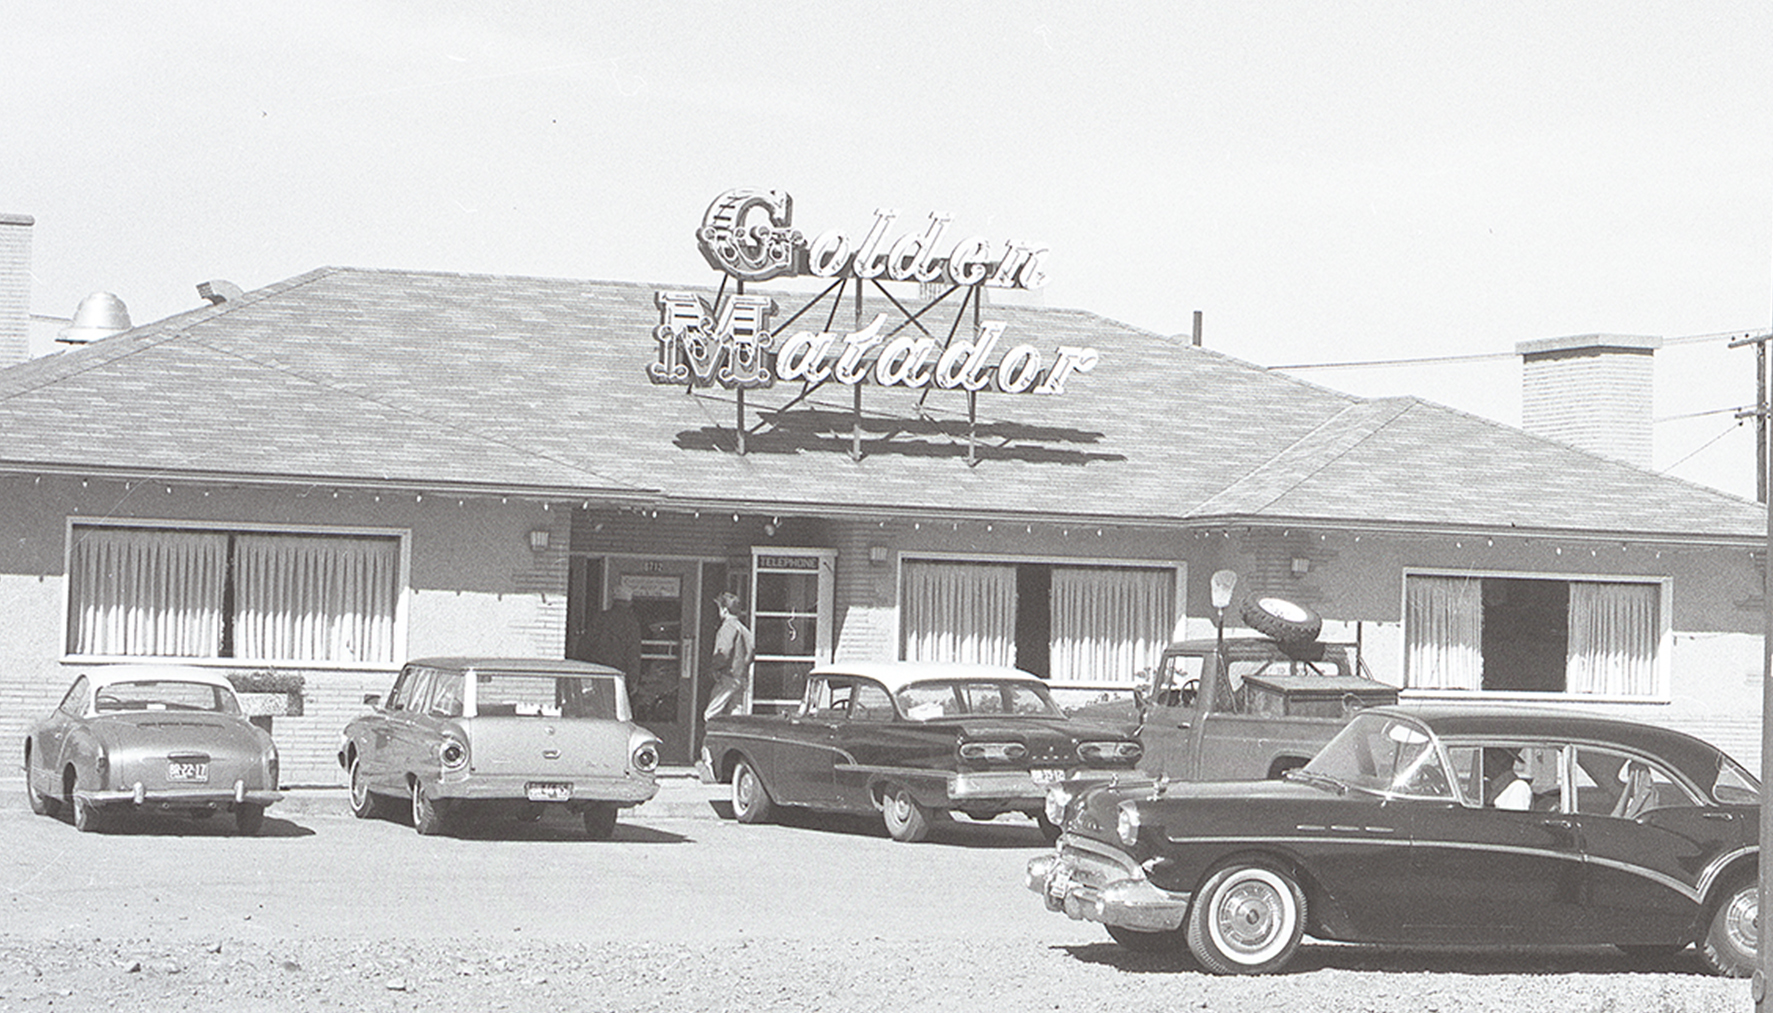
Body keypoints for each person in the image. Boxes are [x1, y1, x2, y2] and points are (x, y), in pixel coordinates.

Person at [703, 591, 753, 721]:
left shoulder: (727, 627)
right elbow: (751, 653)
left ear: (724, 610)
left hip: (728, 676)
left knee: (710, 714)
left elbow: (723, 652)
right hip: (740, 677)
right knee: (736, 715)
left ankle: (711, 740)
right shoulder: (743, 629)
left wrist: (714, 668)